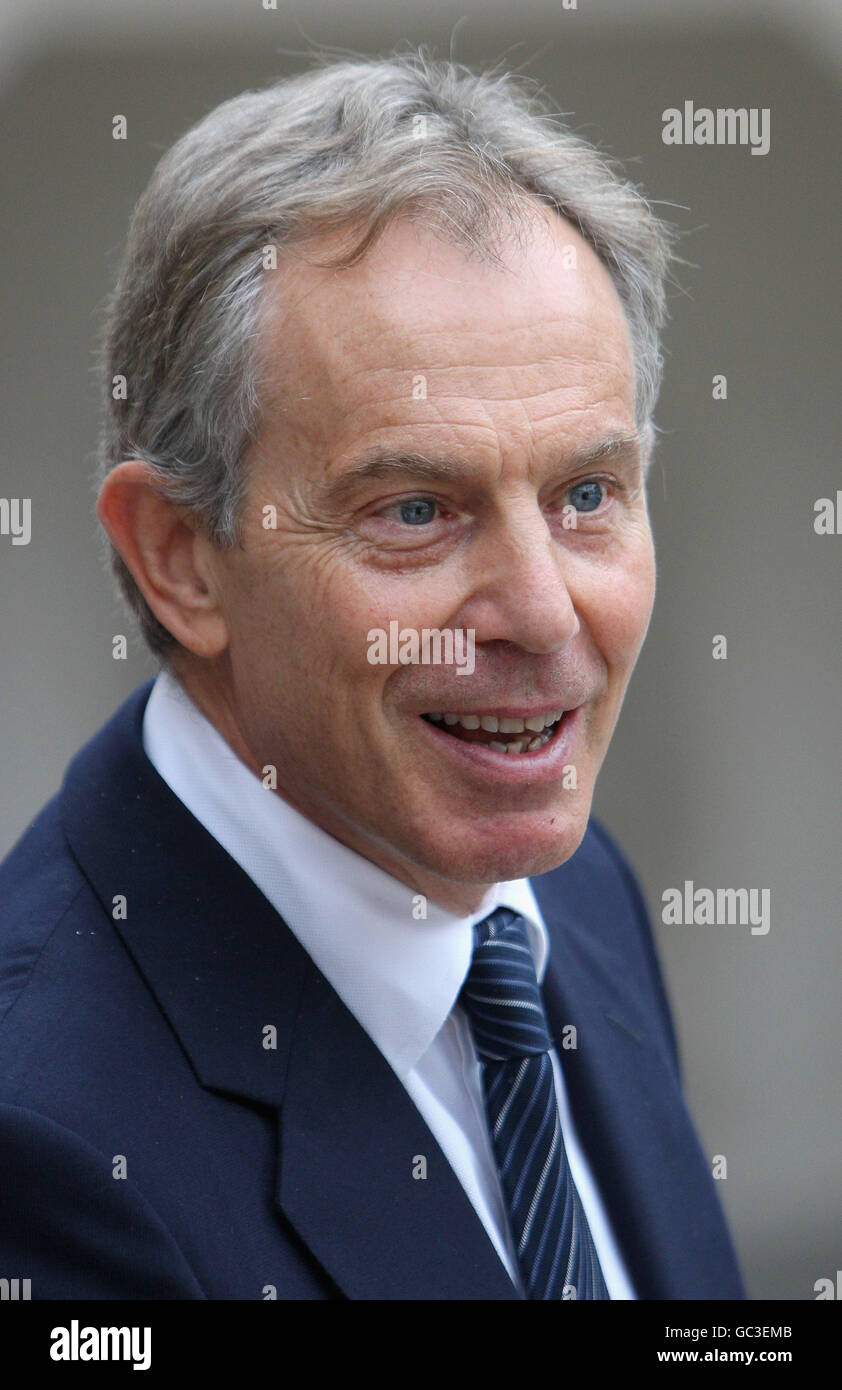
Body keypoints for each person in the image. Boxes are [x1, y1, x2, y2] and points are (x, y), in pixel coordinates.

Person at [0, 52, 744, 1300]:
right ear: (181, 557)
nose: (543, 611)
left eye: (585, 494)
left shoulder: (569, 899)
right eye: (414, 508)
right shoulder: (49, 1146)